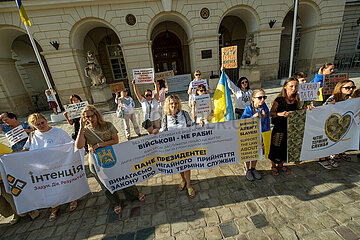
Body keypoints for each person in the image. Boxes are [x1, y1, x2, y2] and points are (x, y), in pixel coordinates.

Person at [75, 105, 145, 215]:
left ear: (96, 114)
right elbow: (79, 146)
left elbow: (115, 140)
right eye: (86, 117)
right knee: (105, 184)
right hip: (97, 161)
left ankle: (134, 194)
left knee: (123, 176)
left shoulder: (107, 125)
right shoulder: (85, 131)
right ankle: (115, 202)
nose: (89, 118)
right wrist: (81, 128)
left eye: (91, 116)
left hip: (113, 156)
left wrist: (99, 145)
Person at [22, 113, 76, 222]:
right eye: (38, 125)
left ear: (46, 120)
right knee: (49, 188)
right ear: (33, 126)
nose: (42, 126)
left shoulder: (58, 132)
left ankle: (72, 199)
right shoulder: (33, 136)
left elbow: (72, 145)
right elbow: (26, 150)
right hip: (43, 169)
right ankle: (54, 207)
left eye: (43, 122)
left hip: (60, 166)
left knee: (65, 183)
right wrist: (10, 156)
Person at [160, 95, 197, 198]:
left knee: (187, 165)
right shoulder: (165, 117)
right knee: (179, 164)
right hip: (173, 147)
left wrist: (199, 124)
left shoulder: (184, 114)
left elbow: (191, 124)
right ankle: (183, 180)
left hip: (185, 145)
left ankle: (189, 185)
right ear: (168, 104)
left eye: (176, 103)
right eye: (171, 103)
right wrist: (154, 133)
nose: (174, 105)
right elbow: (163, 131)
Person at [318, 80, 356, 168]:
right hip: (329, 124)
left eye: (352, 87)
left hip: (339, 124)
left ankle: (330, 156)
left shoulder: (347, 98)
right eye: (347, 87)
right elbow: (322, 111)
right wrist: (330, 106)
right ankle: (322, 158)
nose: (350, 89)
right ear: (340, 88)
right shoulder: (332, 98)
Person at [268, 77, 302, 175]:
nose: (293, 88)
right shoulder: (279, 99)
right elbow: (271, 113)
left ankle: (281, 164)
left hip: (291, 127)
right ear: (285, 87)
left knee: (286, 146)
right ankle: (273, 165)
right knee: (276, 145)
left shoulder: (297, 98)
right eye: (291, 86)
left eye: (296, 86)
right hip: (279, 127)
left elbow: (299, 109)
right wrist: (280, 114)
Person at [241, 89, 270, 181]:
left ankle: (253, 168)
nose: (262, 100)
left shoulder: (265, 108)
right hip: (249, 135)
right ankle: (247, 169)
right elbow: (242, 122)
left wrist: (265, 137)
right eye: (260, 97)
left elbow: (267, 122)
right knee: (249, 153)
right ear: (253, 99)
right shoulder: (249, 108)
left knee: (256, 152)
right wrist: (252, 118)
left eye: (264, 97)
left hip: (260, 134)